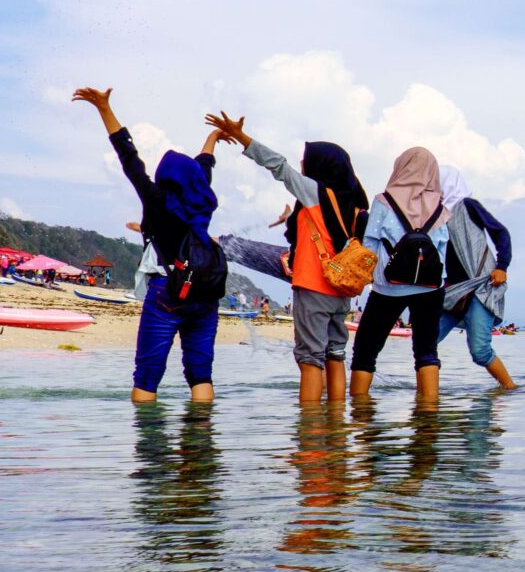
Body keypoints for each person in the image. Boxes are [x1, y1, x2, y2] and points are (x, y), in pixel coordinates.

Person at [72, 87, 228, 403]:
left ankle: (150, 446)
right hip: (205, 296)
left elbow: (128, 156)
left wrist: (104, 108)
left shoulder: (156, 199)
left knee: (147, 376)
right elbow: (204, 166)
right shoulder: (202, 201)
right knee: (200, 374)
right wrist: (212, 138)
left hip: (167, 292)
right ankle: (200, 444)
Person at [206, 113, 370, 403]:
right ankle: (336, 430)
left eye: (307, 160)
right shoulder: (356, 204)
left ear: (321, 166)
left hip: (314, 287)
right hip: (342, 292)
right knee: (335, 355)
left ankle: (309, 435)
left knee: (309, 360)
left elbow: (278, 165)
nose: (303, 165)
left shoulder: (316, 193)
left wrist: (242, 137)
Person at [348, 147, 452, 400]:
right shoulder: (439, 206)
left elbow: (370, 244)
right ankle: (428, 414)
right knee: (426, 350)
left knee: (366, 349)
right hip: (430, 287)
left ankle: (359, 414)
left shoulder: (384, 201)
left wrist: (367, 278)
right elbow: (442, 249)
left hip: (388, 285)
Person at [436, 165, 517, 390]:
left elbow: (500, 232)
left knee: (480, 351)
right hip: (451, 291)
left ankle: (510, 389)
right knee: (425, 345)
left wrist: (502, 266)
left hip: (481, 286)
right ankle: (427, 396)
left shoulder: (467, 206)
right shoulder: (433, 216)